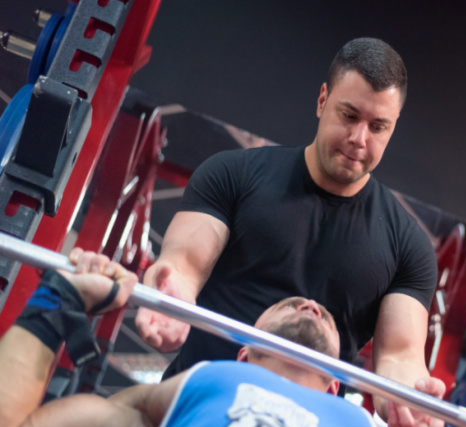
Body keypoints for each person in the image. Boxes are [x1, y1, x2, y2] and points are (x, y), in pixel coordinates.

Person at [135, 37, 442, 423]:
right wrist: (172, 296)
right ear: (322, 100)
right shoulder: (234, 174)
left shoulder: (408, 247)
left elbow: (399, 356)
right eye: (349, 116)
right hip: (201, 411)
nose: (359, 139)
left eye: (378, 127)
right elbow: (184, 265)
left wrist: (408, 396)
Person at [0, 249, 466, 427]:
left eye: (323, 315)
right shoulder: (194, 385)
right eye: (287, 305)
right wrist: (63, 297)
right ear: (244, 351)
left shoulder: (364, 421)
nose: (308, 304)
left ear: (336, 384)